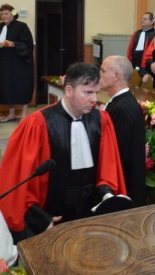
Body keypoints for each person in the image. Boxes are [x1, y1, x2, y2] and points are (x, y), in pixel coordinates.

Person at [0, 62, 127, 243]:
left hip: (90, 212)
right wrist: (40, 218)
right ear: (69, 90)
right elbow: (19, 180)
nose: (94, 99)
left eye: (96, 93)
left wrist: (107, 194)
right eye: (88, 92)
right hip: (52, 214)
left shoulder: (101, 120)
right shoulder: (38, 124)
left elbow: (108, 168)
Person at [99, 55, 147, 207]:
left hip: (125, 187)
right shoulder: (122, 102)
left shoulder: (122, 108)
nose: (99, 75)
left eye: (102, 71)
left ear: (116, 76)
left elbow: (117, 153)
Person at [0, 4, 34, 123]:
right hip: (5, 64)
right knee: (7, 87)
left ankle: (24, 114)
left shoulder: (21, 26)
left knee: (22, 86)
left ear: (12, 14)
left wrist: (13, 44)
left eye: (6, 13)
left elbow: (28, 44)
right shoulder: (0, 27)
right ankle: (11, 114)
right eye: (2, 13)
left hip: (20, 63)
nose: (4, 16)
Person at [126, 12, 155, 79]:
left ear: (152, 22)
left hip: (145, 65)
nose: (142, 20)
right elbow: (130, 48)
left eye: (145, 19)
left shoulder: (154, 34)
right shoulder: (136, 33)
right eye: (142, 18)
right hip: (134, 62)